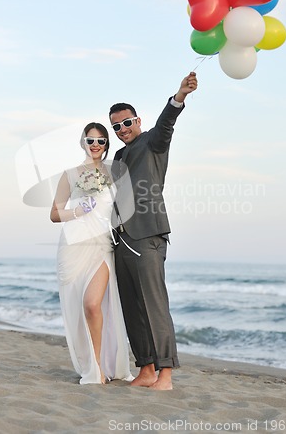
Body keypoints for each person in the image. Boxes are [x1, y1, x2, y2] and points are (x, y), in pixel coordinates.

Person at [109, 72, 198, 390]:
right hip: (120, 240)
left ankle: (166, 375)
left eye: (126, 122)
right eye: (116, 126)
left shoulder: (152, 141)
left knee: (154, 303)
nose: (122, 130)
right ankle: (145, 369)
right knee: (132, 306)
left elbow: (166, 126)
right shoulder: (118, 157)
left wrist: (179, 97)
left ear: (137, 120)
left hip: (148, 235)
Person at [50, 122, 133, 385]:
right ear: (83, 143)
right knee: (79, 308)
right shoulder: (70, 174)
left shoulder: (114, 173)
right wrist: (77, 211)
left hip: (101, 245)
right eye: (90, 140)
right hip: (74, 246)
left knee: (92, 304)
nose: (95, 145)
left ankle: (102, 364)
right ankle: (94, 369)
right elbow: (54, 213)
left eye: (101, 141)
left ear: (106, 145)